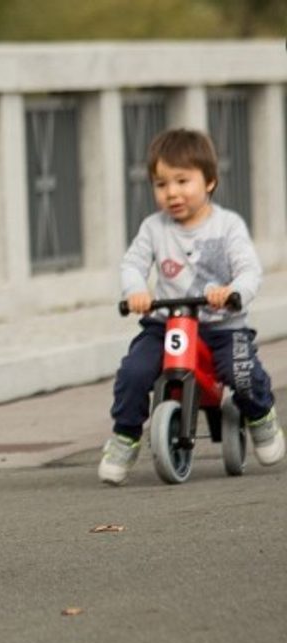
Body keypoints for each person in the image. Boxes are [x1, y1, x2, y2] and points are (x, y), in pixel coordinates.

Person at [99, 127, 285, 485]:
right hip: (166, 324)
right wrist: (136, 291)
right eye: (161, 184)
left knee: (242, 372)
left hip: (221, 325)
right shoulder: (153, 228)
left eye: (182, 181)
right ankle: (125, 437)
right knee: (134, 372)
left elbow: (249, 270)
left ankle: (261, 417)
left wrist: (233, 292)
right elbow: (133, 264)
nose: (172, 192)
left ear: (210, 181)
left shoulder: (227, 226)